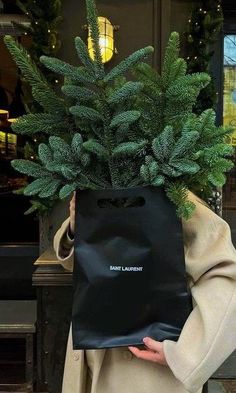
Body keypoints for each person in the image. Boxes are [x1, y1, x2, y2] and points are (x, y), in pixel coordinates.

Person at [53, 189, 236, 393]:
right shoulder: (99, 190)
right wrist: (75, 227)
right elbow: (81, 263)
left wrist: (185, 355)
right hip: (94, 352)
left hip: (145, 367)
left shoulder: (177, 200)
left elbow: (227, 279)